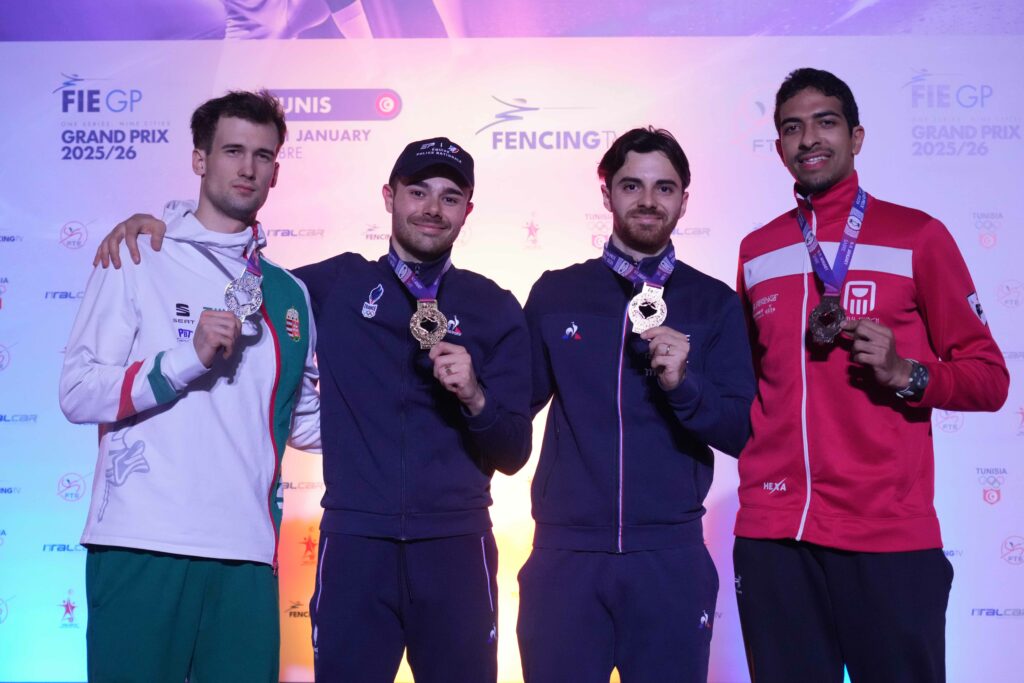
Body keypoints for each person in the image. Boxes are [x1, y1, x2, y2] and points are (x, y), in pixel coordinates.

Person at [92, 137, 531, 683]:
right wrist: (164, 230)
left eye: (450, 197)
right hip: (356, 544)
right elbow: (235, 270)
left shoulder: (494, 306)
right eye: (418, 192)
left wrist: (474, 398)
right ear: (389, 197)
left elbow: (513, 452)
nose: (432, 209)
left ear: (468, 210)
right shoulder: (333, 284)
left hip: (456, 546)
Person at [733, 68, 1009, 683]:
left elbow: (991, 379)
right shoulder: (758, 250)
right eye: (792, 128)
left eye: (825, 122)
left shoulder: (918, 236)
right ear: (778, 148)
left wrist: (907, 373)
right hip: (774, 533)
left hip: (886, 534)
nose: (809, 139)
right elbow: (751, 383)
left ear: (856, 137)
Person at [59, 90, 321, 683]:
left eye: (262, 155)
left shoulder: (289, 293)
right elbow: (78, 390)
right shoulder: (138, 254)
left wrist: (418, 402)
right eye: (232, 151)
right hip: (142, 542)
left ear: (277, 170)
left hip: (246, 553)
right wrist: (185, 359)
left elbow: (303, 423)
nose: (248, 167)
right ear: (199, 159)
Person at [518, 127, 755, 683]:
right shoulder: (557, 293)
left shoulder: (714, 302)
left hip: (669, 558)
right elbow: (510, 412)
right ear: (607, 194)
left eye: (664, 188)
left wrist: (686, 386)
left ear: (684, 201)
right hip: (566, 557)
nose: (648, 201)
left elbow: (742, 430)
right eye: (632, 185)